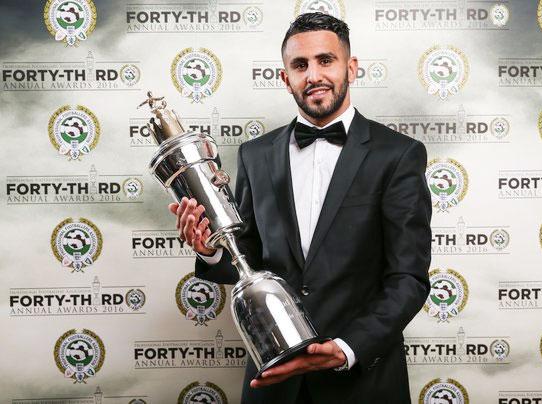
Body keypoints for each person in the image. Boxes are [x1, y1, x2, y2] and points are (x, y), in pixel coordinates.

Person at [169, 12, 431, 404]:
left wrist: (347, 347)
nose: (314, 75)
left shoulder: (398, 155)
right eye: (300, 65)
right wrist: (209, 248)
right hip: (274, 382)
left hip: (363, 382)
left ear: (351, 67)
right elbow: (249, 258)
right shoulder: (255, 155)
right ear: (285, 77)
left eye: (326, 60)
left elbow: (408, 278)